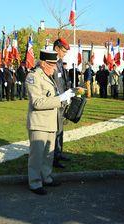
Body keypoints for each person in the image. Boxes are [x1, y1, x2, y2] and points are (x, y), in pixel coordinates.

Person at [26, 50, 75, 195]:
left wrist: (65, 98)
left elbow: (51, 97)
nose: (54, 68)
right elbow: (37, 102)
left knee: (48, 154)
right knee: (37, 155)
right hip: (39, 123)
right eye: (52, 65)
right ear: (43, 63)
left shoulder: (49, 77)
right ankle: (35, 183)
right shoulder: (33, 77)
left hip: (50, 121)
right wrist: (60, 99)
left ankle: (46, 178)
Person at [53, 38, 71, 169]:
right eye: (63, 51)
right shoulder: (51, 63)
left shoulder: (59, 63)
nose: (65, 53)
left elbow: (63, 81)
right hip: (55, 101)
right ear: (56, 49)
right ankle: (53, 157)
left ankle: (59, 153)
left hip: (63, 100)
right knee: (56, 130)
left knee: (61, 129)